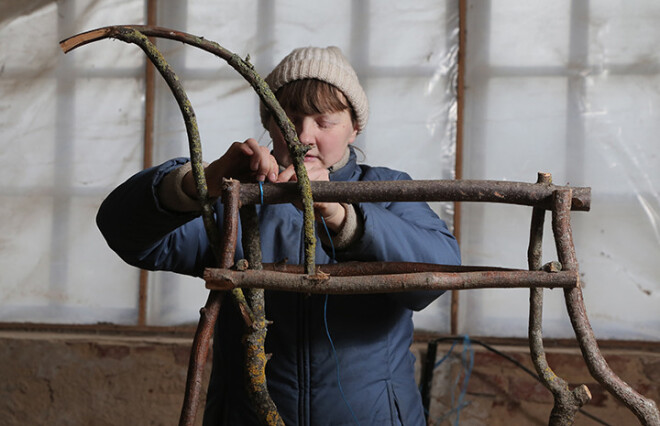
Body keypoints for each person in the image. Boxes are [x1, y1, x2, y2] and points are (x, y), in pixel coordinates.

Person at [97, 46, 461, 426]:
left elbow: (439, 275)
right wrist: (200, 183)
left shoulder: (387, 191)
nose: (304, 136)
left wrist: (343, 215)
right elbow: (125, 232)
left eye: (324, 122)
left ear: (355, 127)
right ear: (270, 123)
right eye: (290, 118)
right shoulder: (238, 199)